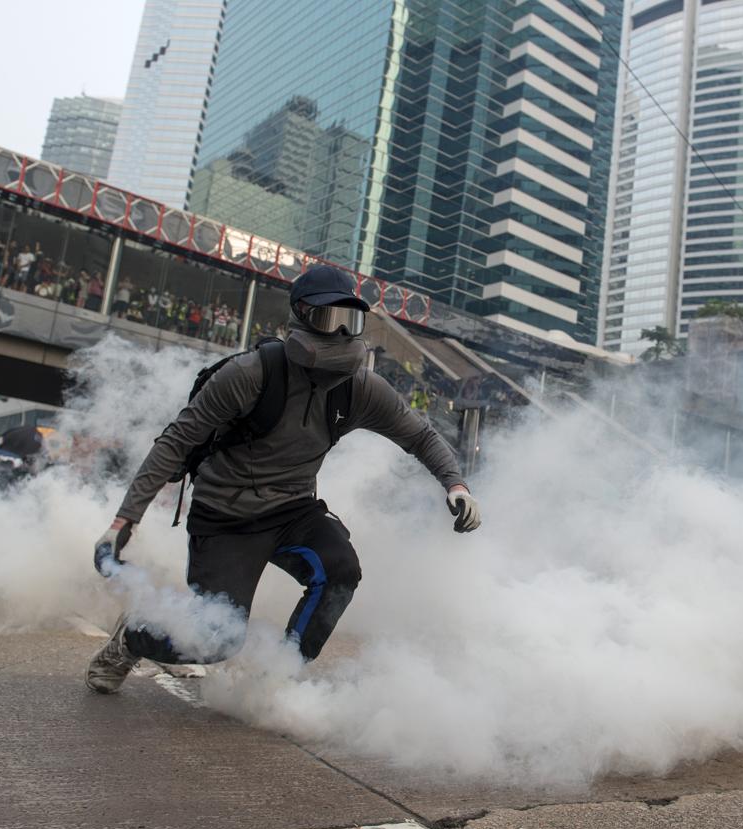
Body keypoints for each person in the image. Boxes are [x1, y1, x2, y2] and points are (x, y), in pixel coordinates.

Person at [85, 265, 481, 694]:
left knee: (341, 571)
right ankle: (132, 638)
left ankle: (277, 676)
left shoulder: (361, 388)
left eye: (353, 321)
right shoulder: (249, 374)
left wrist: (455, 485)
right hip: (225, 518)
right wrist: (124, 521)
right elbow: (176, 442)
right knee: (215, 639)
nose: (343, 335)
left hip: (293, 510)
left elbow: (419, 435)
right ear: (299, 317)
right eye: (330, 320)